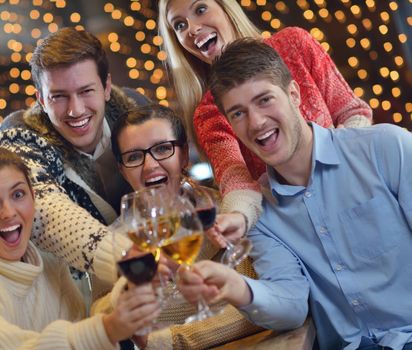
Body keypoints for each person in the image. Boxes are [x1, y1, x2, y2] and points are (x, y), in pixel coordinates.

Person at [177, 38, 412, 350]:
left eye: (264, 100)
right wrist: (237, 287)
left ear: (294, 94)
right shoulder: (260, 213)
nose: (256, 122)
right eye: (238, 113)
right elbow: (291, 305)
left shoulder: (386, 148)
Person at [158, 0, 372, 236]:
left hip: (355, 189)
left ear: (227, 9)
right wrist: (238, 216)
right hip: (300, 228)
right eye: (179, 25)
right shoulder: (208, 111)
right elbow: (234, 175)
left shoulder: (294, 44)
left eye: (200, 10)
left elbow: (352, 113)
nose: (192, 28)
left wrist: (345, 161)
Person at [0, 146, 161, 349]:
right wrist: (108, 329)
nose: (9, 212)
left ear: (34, 199)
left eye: (18, 194)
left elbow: (77, 327)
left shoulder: (48, 261)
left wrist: (126, 295)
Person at [0, 27, 149, 287]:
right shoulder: (17, 136)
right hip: (69, 297)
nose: (75, 110)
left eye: (86, 91)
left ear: (106, 87)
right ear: (41, 99)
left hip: (155, 272)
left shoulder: (135, 109)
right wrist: (132, 263)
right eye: (59, 96)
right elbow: (47, 211)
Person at [110, 104, 263, 349]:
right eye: (134, 156)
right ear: (122, 169)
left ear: (183, 154)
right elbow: (102, 319)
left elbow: (260, 305)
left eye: (162, 149)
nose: (149, 166)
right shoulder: (111, 243)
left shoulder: (231, 211)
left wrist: (168, 340)